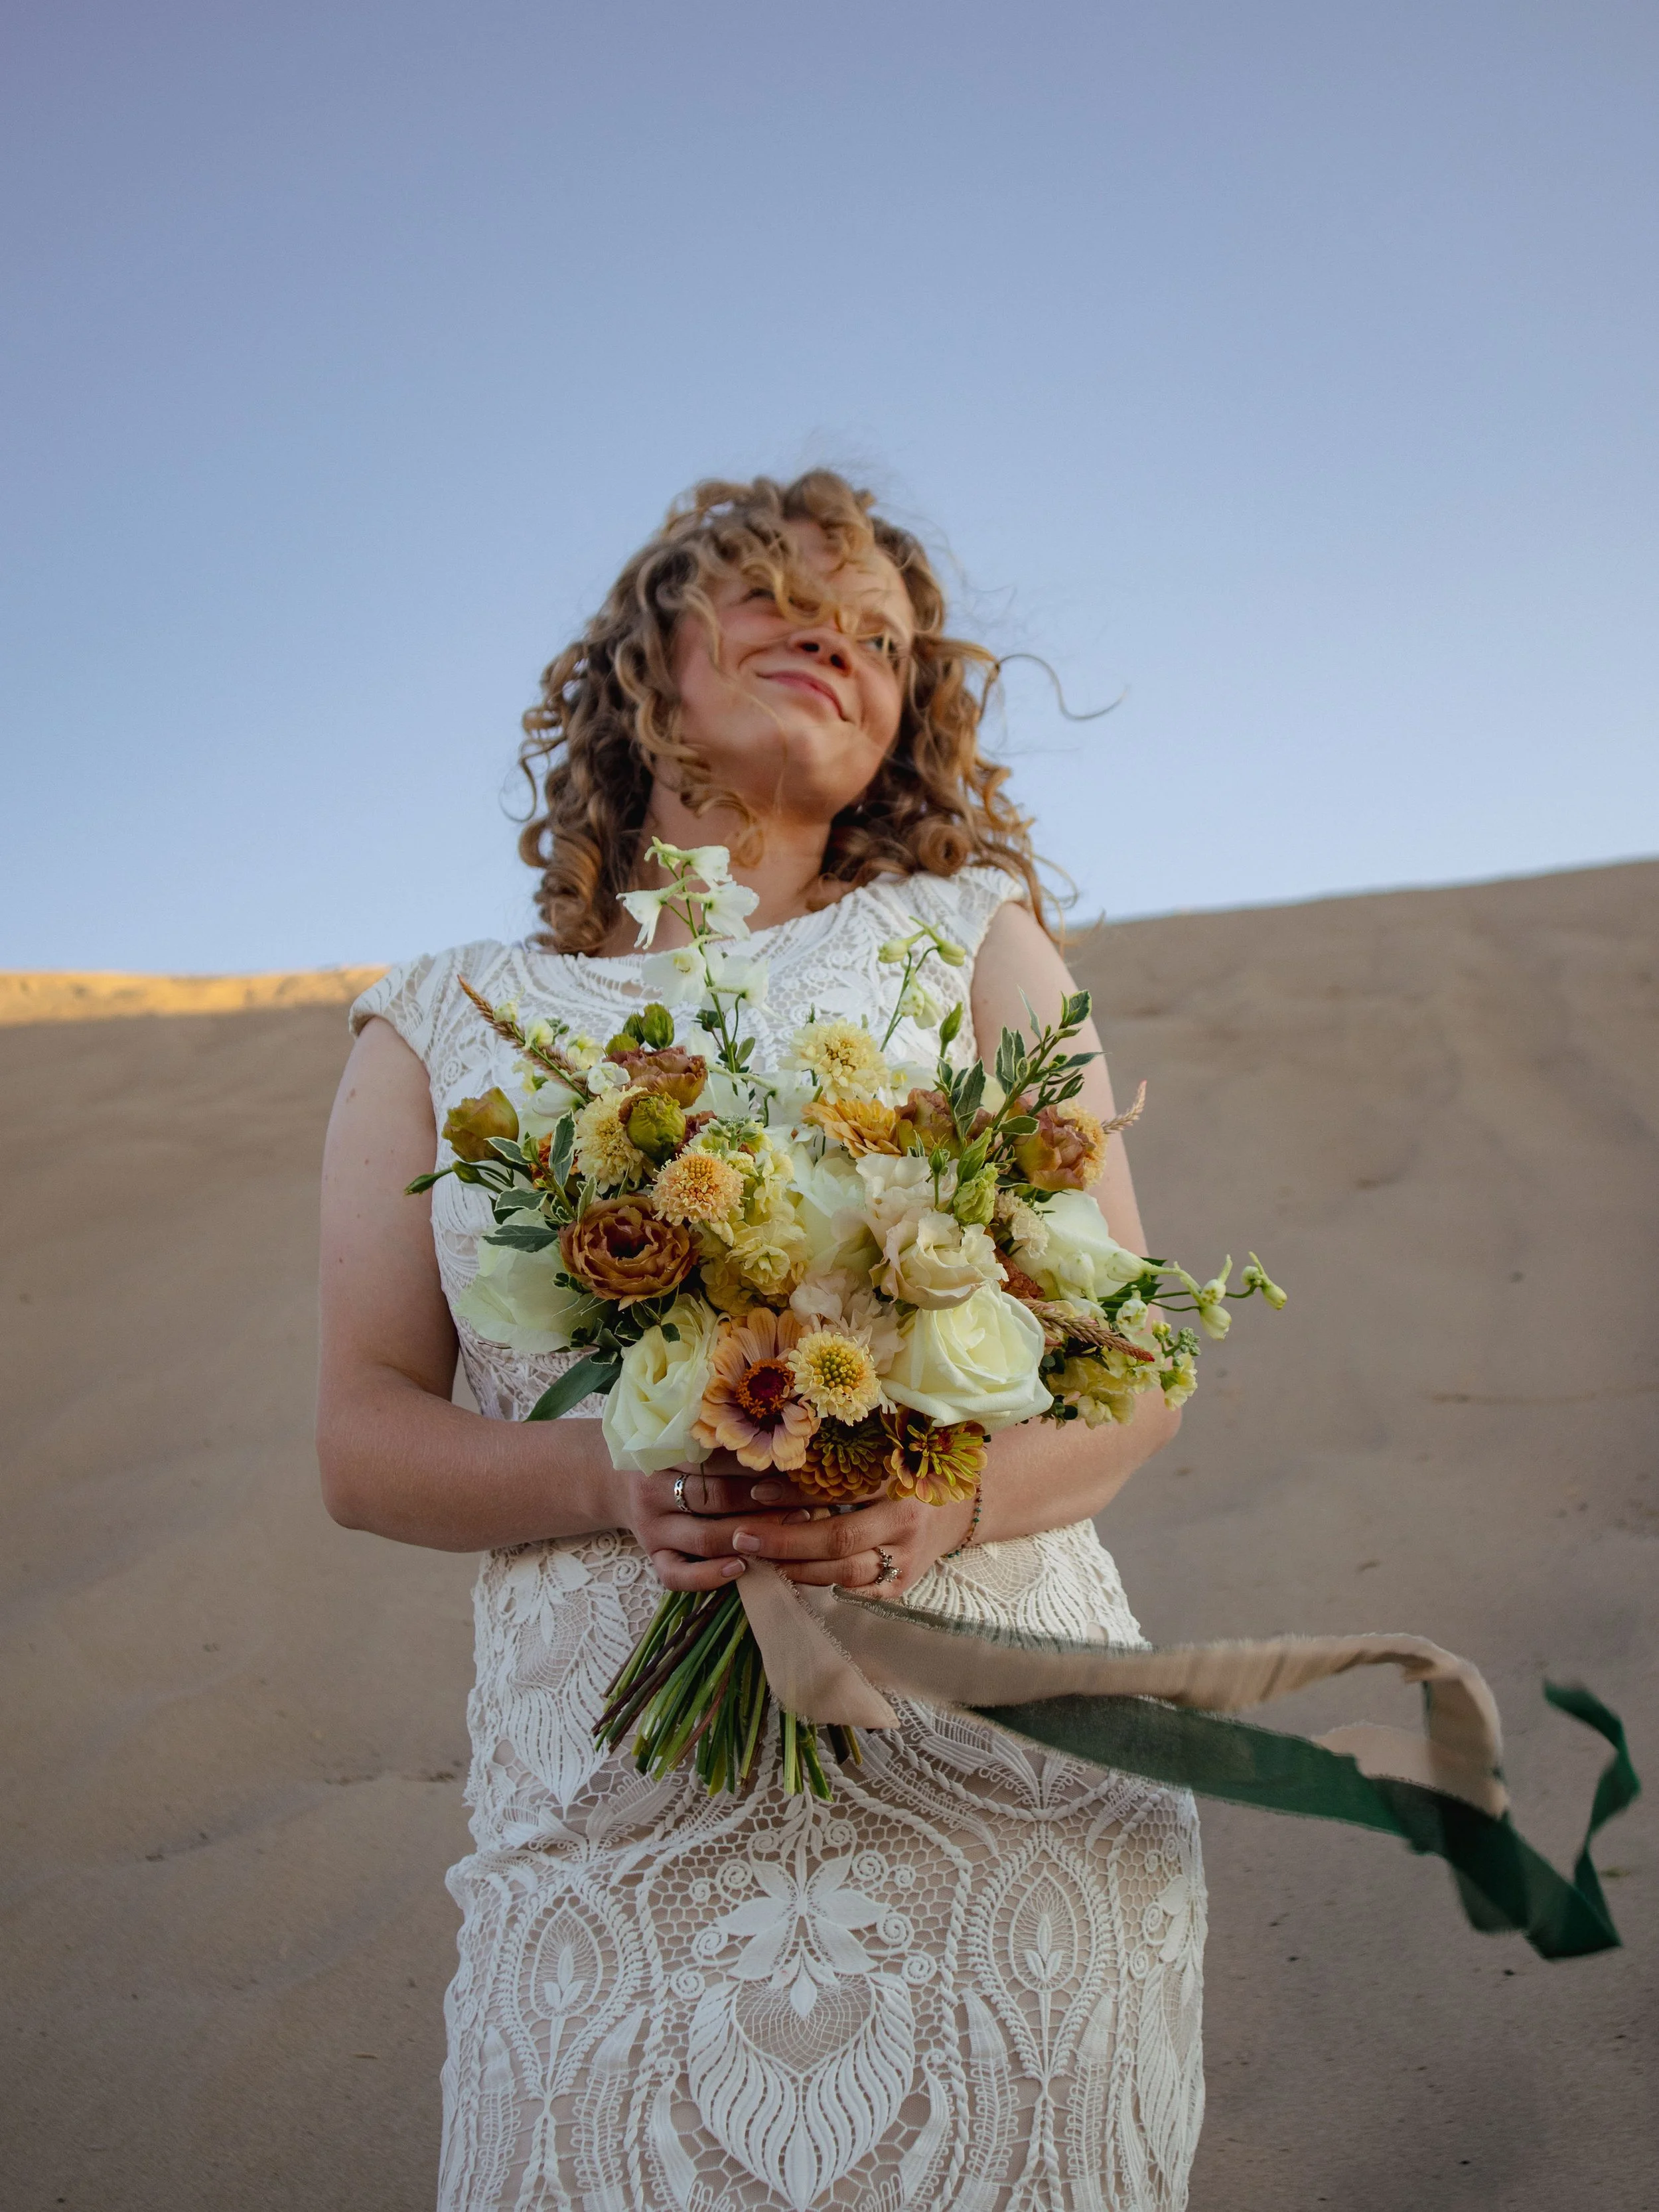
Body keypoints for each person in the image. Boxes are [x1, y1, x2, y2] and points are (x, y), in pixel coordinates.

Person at [317, 471, 1204, 2211]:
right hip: (606, 1824)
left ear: (908, 721)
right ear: (647, 653)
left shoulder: (968, 939)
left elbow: (1138, 1359)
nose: (838, 637)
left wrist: (932, 1504)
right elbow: (358, 1432)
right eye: (781, 593)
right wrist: (615, 1466)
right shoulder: (445, 1016)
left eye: (881, 636)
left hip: (989, 1774)